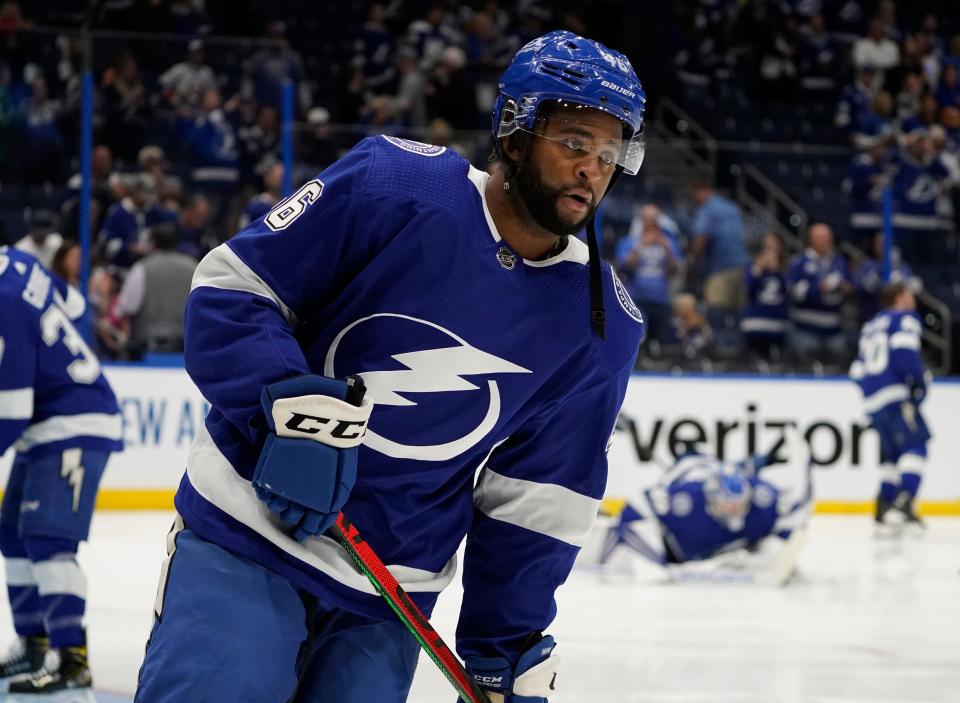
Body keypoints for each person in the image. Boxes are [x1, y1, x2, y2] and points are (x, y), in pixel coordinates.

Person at [135, 30, 647, 703]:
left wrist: (506, 648)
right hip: (250, 533)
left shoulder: (599, 324)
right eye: (575, 142)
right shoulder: (395, 184)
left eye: (611, 153)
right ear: (516, 133)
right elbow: (233, 291)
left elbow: (538, 505)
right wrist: (289, 409)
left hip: (389, 596)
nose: (593, 169)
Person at [0, 246, 123, 692]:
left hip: (73, 420)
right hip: (51, 420)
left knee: (47, 537)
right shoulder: (16, 260)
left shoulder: (4, 304)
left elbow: (11, 411)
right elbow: (72, 305)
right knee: (12, 532)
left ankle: (71, 657)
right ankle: (33, 643)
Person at [592, 425, 812, 587]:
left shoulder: (758, 495)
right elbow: (637, 507)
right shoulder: (684, 498)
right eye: (727, 505)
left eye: (739, 505)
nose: (734, 510)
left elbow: (791, 509)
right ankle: (600, 522)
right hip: (671, 543)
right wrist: (654, 561)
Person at [849, 281, 930, 535]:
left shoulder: (871, 325)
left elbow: (857, 370)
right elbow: (905, 352)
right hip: (895, 395)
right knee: (916, 445)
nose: (913, 300)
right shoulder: (905, 319)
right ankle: (905, 500)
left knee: (893, 454)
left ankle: (883, 503)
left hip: (873, 400)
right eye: (909, 294)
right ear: (900, 297)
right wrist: (917, 382)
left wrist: (870, 394)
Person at [115, 222, 198, 355]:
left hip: (150, 346)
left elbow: (127, 306)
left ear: (152, 243)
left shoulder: (142, 268)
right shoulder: (193, 267)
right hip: (187, 346)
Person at [786, 223, 853, 365]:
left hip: (833, 329)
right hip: (805, 329)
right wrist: (819, 287)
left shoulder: (838, 261)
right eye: (821, 237)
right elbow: (793, 291)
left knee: (838, 365)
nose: (826, 241)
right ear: (811, 239)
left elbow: (850, 287)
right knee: (807, 368)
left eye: (828, 237)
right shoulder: (799, 262)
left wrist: (843, 287)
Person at [687, 181, 748, 311]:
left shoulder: (707, 209)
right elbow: (743, 237)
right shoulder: (732, 207)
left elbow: (700, 240)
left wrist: (693, 266)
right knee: (737, 314)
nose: (694, 200)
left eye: (694, 195)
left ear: (701, 191)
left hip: (719, 268)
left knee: (716, 313)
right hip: (741, 265)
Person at [741, 233, 788, 361]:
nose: (770, 249)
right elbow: (748, 290)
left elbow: (790, 293)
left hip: (778, 325)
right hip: (755, 324)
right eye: (767, 245)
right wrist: (758, 269)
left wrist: (778, 272)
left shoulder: (787, 267)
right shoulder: (752, 266)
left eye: (773, 245)